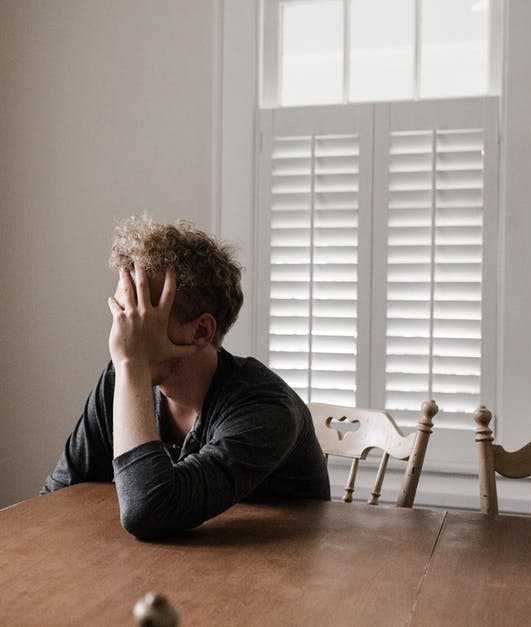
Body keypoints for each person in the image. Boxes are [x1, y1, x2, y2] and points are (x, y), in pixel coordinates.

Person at [42, 215, 330, 539]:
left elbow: (148, 511)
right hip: (178, 561)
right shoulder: (120, 379)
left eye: (140, 316)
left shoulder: (266, 409)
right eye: (122, 313)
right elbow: (57, 497)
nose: (122, 335)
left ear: (201, 331)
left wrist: (132, 365)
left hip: (281, 564)